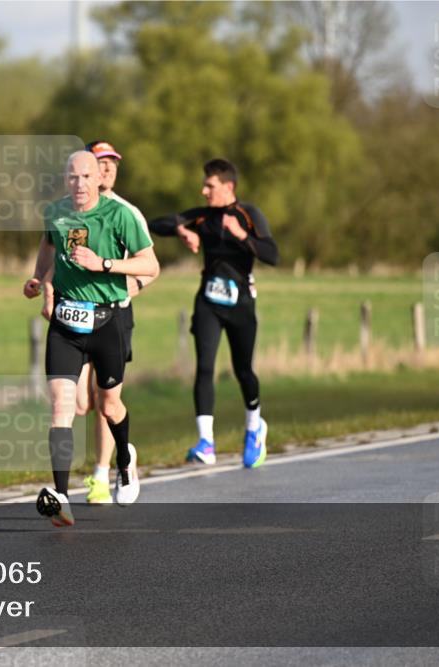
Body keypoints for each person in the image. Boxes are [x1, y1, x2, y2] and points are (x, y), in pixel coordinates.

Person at [24, 151, 159, 526]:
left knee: (109, 406)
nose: (79, 184)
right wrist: (39, 281)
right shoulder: (56, 213)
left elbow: (151, 265)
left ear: (99, 178)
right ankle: (61, 497)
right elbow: (48, 249)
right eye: (72, 177)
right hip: (66, 325)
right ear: (65, 179)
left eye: (86, 176)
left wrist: (104, 264)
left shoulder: (120, 215)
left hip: (107, 322)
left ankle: (125, 461)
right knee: (61, 407)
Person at [149, 158, 278, 468]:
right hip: (208, 299)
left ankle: (254, 426)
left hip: (241, 302)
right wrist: (182, 230)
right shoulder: (203, 216)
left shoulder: (249, 214)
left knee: (243, 369)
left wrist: (242, 236)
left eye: (210, 185)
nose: (203, 190)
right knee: (204, 367)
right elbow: (155, 224)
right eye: (204, 184)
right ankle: (206, 443)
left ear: (228, 186)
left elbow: (273, 254)